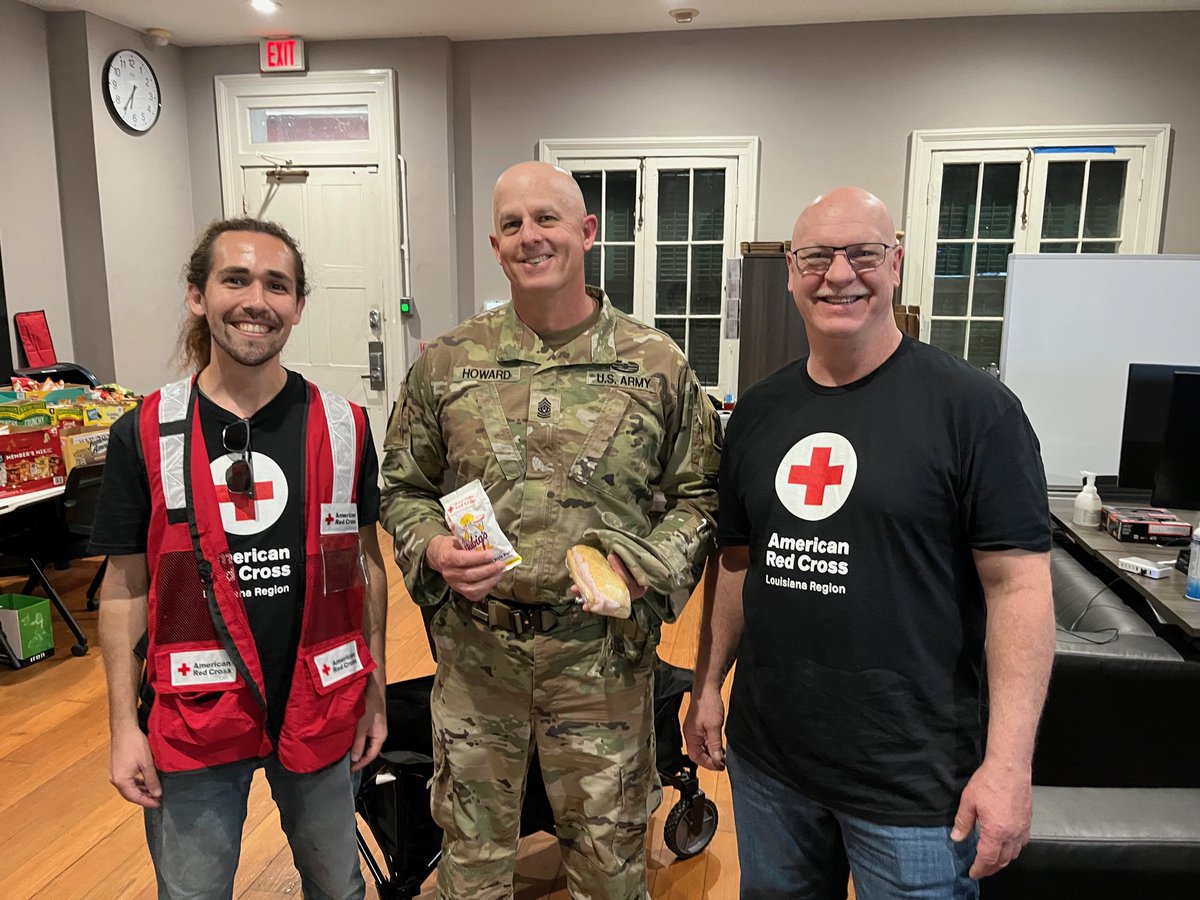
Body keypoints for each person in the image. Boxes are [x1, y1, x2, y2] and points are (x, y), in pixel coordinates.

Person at [683, 188, 1055, 899]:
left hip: (913, 780)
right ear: (792, 271)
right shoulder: (758, 411)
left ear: (897, 263)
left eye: (863, 254)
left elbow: (1020, 589)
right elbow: (736, 560)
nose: (839, 275)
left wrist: (1009, 765)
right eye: (817, 257)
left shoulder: (975, 409)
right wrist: (706, 686)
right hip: (771, 764)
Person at [380, 160, 720, 899]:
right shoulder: (445, 364)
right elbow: (403, 488)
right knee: (469, 866)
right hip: (477, 658)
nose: (530, 237)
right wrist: (434, 547)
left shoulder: (655, 364)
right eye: (511, 225)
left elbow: (699, 498)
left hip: (600, 662)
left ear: (587, 232)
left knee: (608, 863)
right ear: (496, 248)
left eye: (547, 219)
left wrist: (649, 570)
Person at [93, 217, 387, 900]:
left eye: (276, 285)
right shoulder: (145, 430)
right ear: (198, 295)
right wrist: (121, 729)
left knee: (339, 890)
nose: (257, 300)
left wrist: (374, 685)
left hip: (321, 703)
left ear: (299, 306)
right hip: (193, 717)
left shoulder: (345, 426)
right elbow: (123, 587)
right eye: (236, 279)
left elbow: (366, 569)